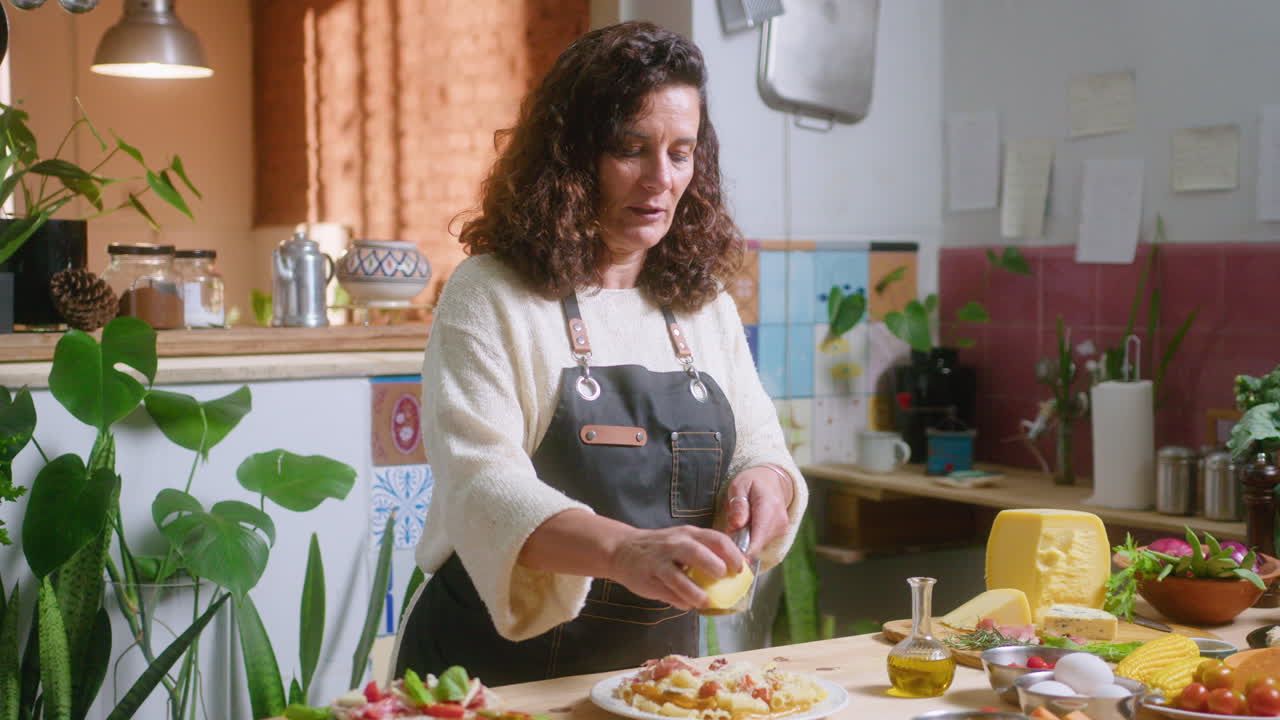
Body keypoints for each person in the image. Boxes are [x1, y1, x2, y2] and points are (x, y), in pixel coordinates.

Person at [392, 20, 807, 687]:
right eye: (630, 148)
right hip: (491, 668)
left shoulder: (705, 306)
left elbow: (759, 446)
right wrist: (624, 551)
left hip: (657, 677)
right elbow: (480, 485)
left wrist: (766, 484)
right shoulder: (492, 293)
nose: (660, 179)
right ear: (572, 155)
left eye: (681, 151)